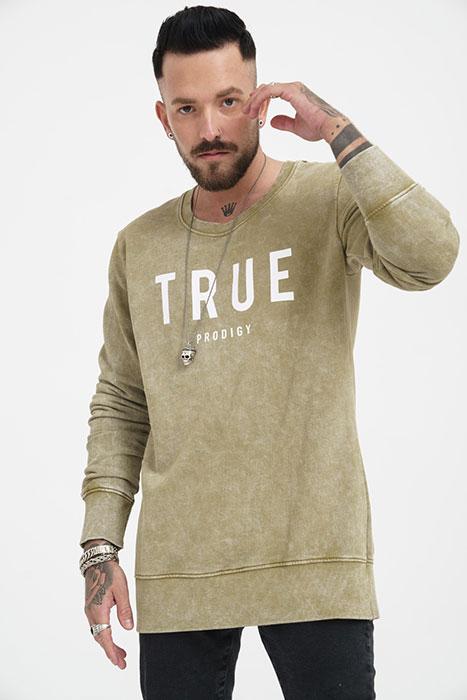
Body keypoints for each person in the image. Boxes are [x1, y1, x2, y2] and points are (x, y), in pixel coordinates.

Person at [78, 6, 460, 699]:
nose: (210, 128)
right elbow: (122, 403)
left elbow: (431, 257)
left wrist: (338, 132)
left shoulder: (328, 199)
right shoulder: (140, 245)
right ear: (163, 117)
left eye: (229, 101)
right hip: (182, 570)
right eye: (187, 108)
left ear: (258, 99)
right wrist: (99, 548)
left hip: (314, 560)